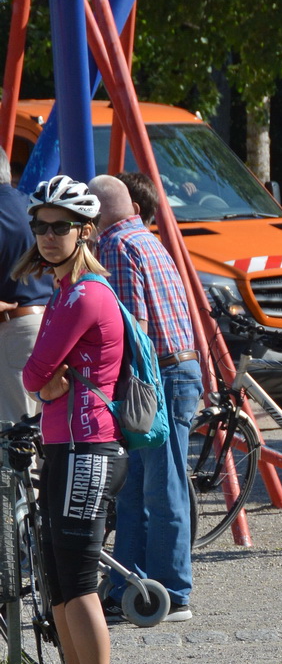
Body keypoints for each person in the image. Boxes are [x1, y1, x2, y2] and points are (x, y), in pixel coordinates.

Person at [19, 175, 127, 664]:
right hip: (64, 445)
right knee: (59, 579)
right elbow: (40, 379)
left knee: (80, 579)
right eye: (40, 226)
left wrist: (44, 386)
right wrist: (44, 387)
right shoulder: (63, 291)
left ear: (85, 231)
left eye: (60, 226)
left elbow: (34, 373)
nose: (48, 235)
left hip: (90, 447)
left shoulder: (86, 294)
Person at [90, 174, 200, 624]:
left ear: (95, 214)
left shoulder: (115, 246)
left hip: (156, 379)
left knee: (159, 487)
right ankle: (128, 588)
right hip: (177, 369)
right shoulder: (148, 240)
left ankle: (172, 592)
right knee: (138, 487)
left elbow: (129, 327)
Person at [0, 146, 51, 424]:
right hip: (50, 323)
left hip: (13, 331)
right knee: (46, 431)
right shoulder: (32, 206)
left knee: (15, 434)